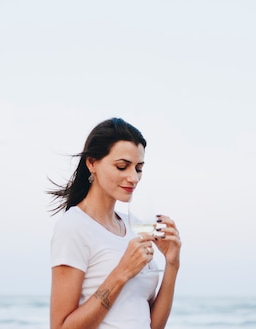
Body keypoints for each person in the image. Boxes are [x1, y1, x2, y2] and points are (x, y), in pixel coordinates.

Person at [48, 118, 182, 329]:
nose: (134, 178)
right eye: (122, 166)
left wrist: (172, 264)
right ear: (92, 163)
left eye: (138, 168)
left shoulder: (134, 226)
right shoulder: (74, 226)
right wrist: (122, 272)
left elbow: (152, 325)